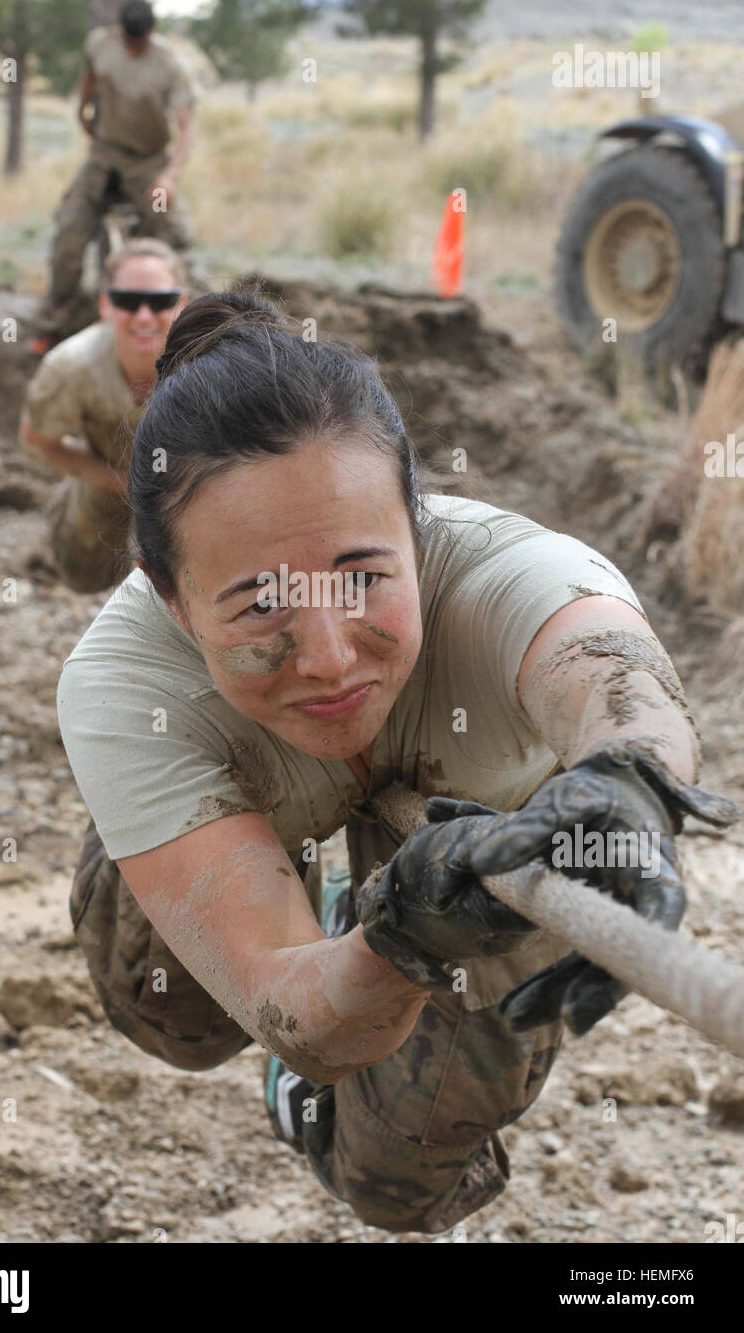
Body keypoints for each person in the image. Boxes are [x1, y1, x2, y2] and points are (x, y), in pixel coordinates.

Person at [55, 291, 736, 1236]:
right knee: (168, 1012)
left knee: (397, 1189)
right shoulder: (128, 683)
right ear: (171, 601)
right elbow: (290, 1009)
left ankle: (368, 929)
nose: (330, 658)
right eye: (260, 605)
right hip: (253, 795)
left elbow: (617, 677)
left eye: (365, 576)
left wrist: (628, 787)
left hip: (493, 829)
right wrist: (400, 945)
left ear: (420, 534)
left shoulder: (502, 567)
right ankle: (304, 888)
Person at [19, 240, 188, 594]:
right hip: (112, 470)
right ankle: (67, 506)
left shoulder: (212, 363)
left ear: (182, 303)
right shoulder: (71, 367)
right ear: (105, 305)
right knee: (83, 575)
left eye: (160, 302)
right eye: (127, 301)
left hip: (193, 483)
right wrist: (122, 483)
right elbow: (37, 441)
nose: (144, 316)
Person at [31, 0, 197, 352]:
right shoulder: (100, 44)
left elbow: (186, 129)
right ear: (120, 31)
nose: (132, 49)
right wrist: (82, 112)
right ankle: (57, 324)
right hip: (104, 156)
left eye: (139, 44)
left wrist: (169, 176)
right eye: (128, 42)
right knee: (69, 233)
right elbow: (90, 81)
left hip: (149, 161)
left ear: (150, 34)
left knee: (173, 238)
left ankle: (193, 330)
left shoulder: (169, 65)